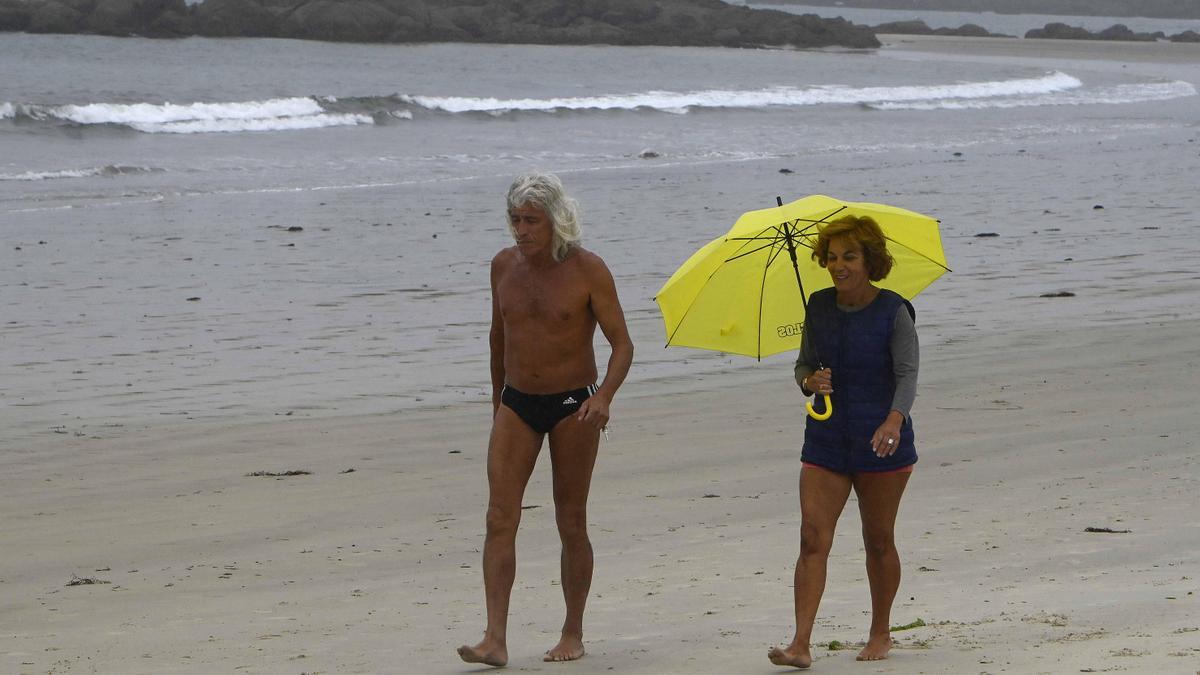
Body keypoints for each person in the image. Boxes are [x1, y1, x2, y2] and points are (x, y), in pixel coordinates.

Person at [458, 172, 634, 667]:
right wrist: (498, 406)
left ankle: (572, 631)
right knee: (499, 517)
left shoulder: (588, 269)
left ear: (556, 220)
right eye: (515, 219)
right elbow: (498, 340)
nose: (521, 229)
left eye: (531, 220)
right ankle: (495, 638)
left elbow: (623, 344)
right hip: (517, 403)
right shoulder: (502, 267)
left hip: (573, 407)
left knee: (570, 519)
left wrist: (604, 397)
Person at [768, 214, 919, 669]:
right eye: (832, 257)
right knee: (812, 538)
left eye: (849, 256)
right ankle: (800, 644)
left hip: (881, 441)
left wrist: (894, 420)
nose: (838, 265)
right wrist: (810, 380)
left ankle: (880, 632)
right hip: (827, 439)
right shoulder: (816, 306)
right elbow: (802, 368)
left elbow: (907, 373)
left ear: (870, 259)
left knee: (878, 540)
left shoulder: (894, 310)